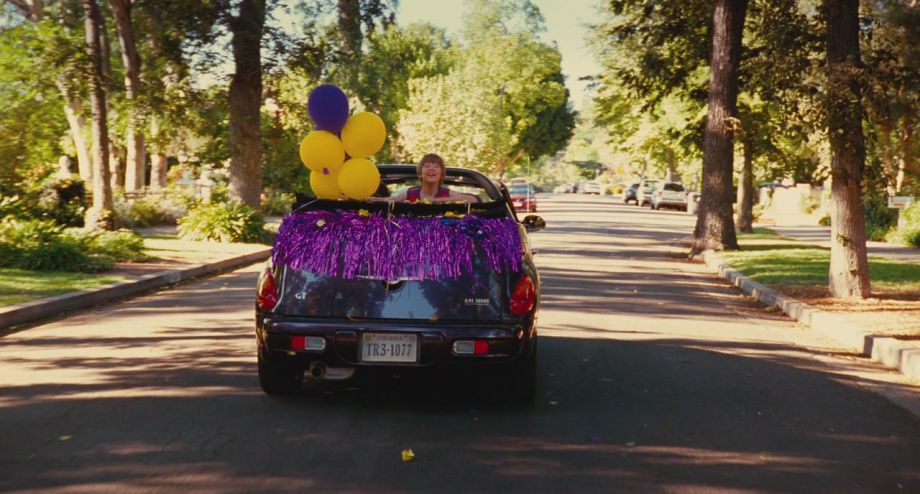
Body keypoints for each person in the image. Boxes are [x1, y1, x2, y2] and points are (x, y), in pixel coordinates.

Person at [386, 154, 477, 203]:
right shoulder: (411, 194)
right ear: (420, 174)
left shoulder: (447, 194)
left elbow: (473, 199)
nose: (431, 168)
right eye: (427, 166)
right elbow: (388, 200)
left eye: (436, 166)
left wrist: (435, 201)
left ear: (441, 174)